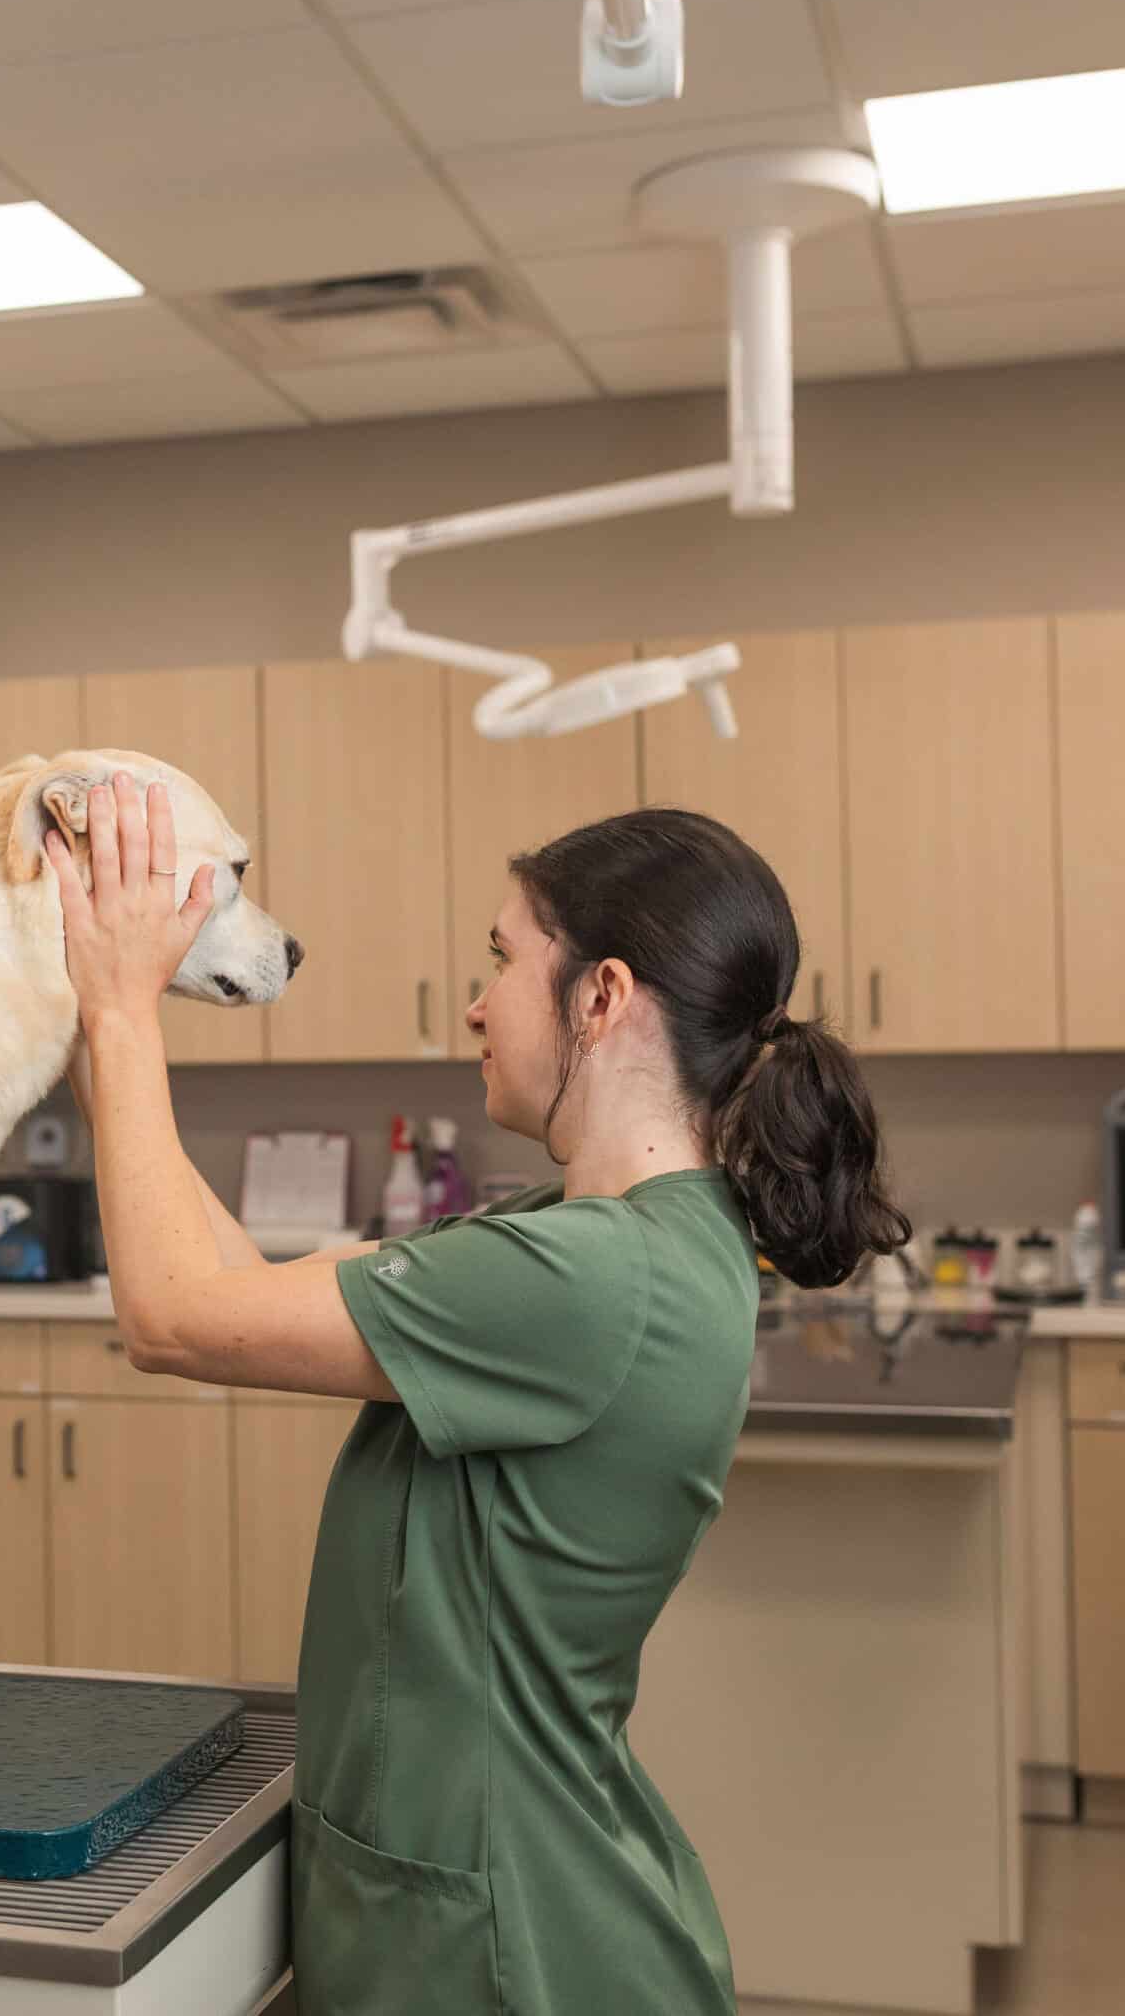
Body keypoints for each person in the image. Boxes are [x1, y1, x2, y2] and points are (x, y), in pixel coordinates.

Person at [50, 773, 906, 2016]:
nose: (473, 1003)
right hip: (477, 1903)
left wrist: (127, 1012)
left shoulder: (593, 1276)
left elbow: (171, 1320)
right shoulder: (588, 1237)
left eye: (501, 960)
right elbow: (231, 1285)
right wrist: (95, 1018)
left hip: (517, 1947)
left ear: (601, 997)